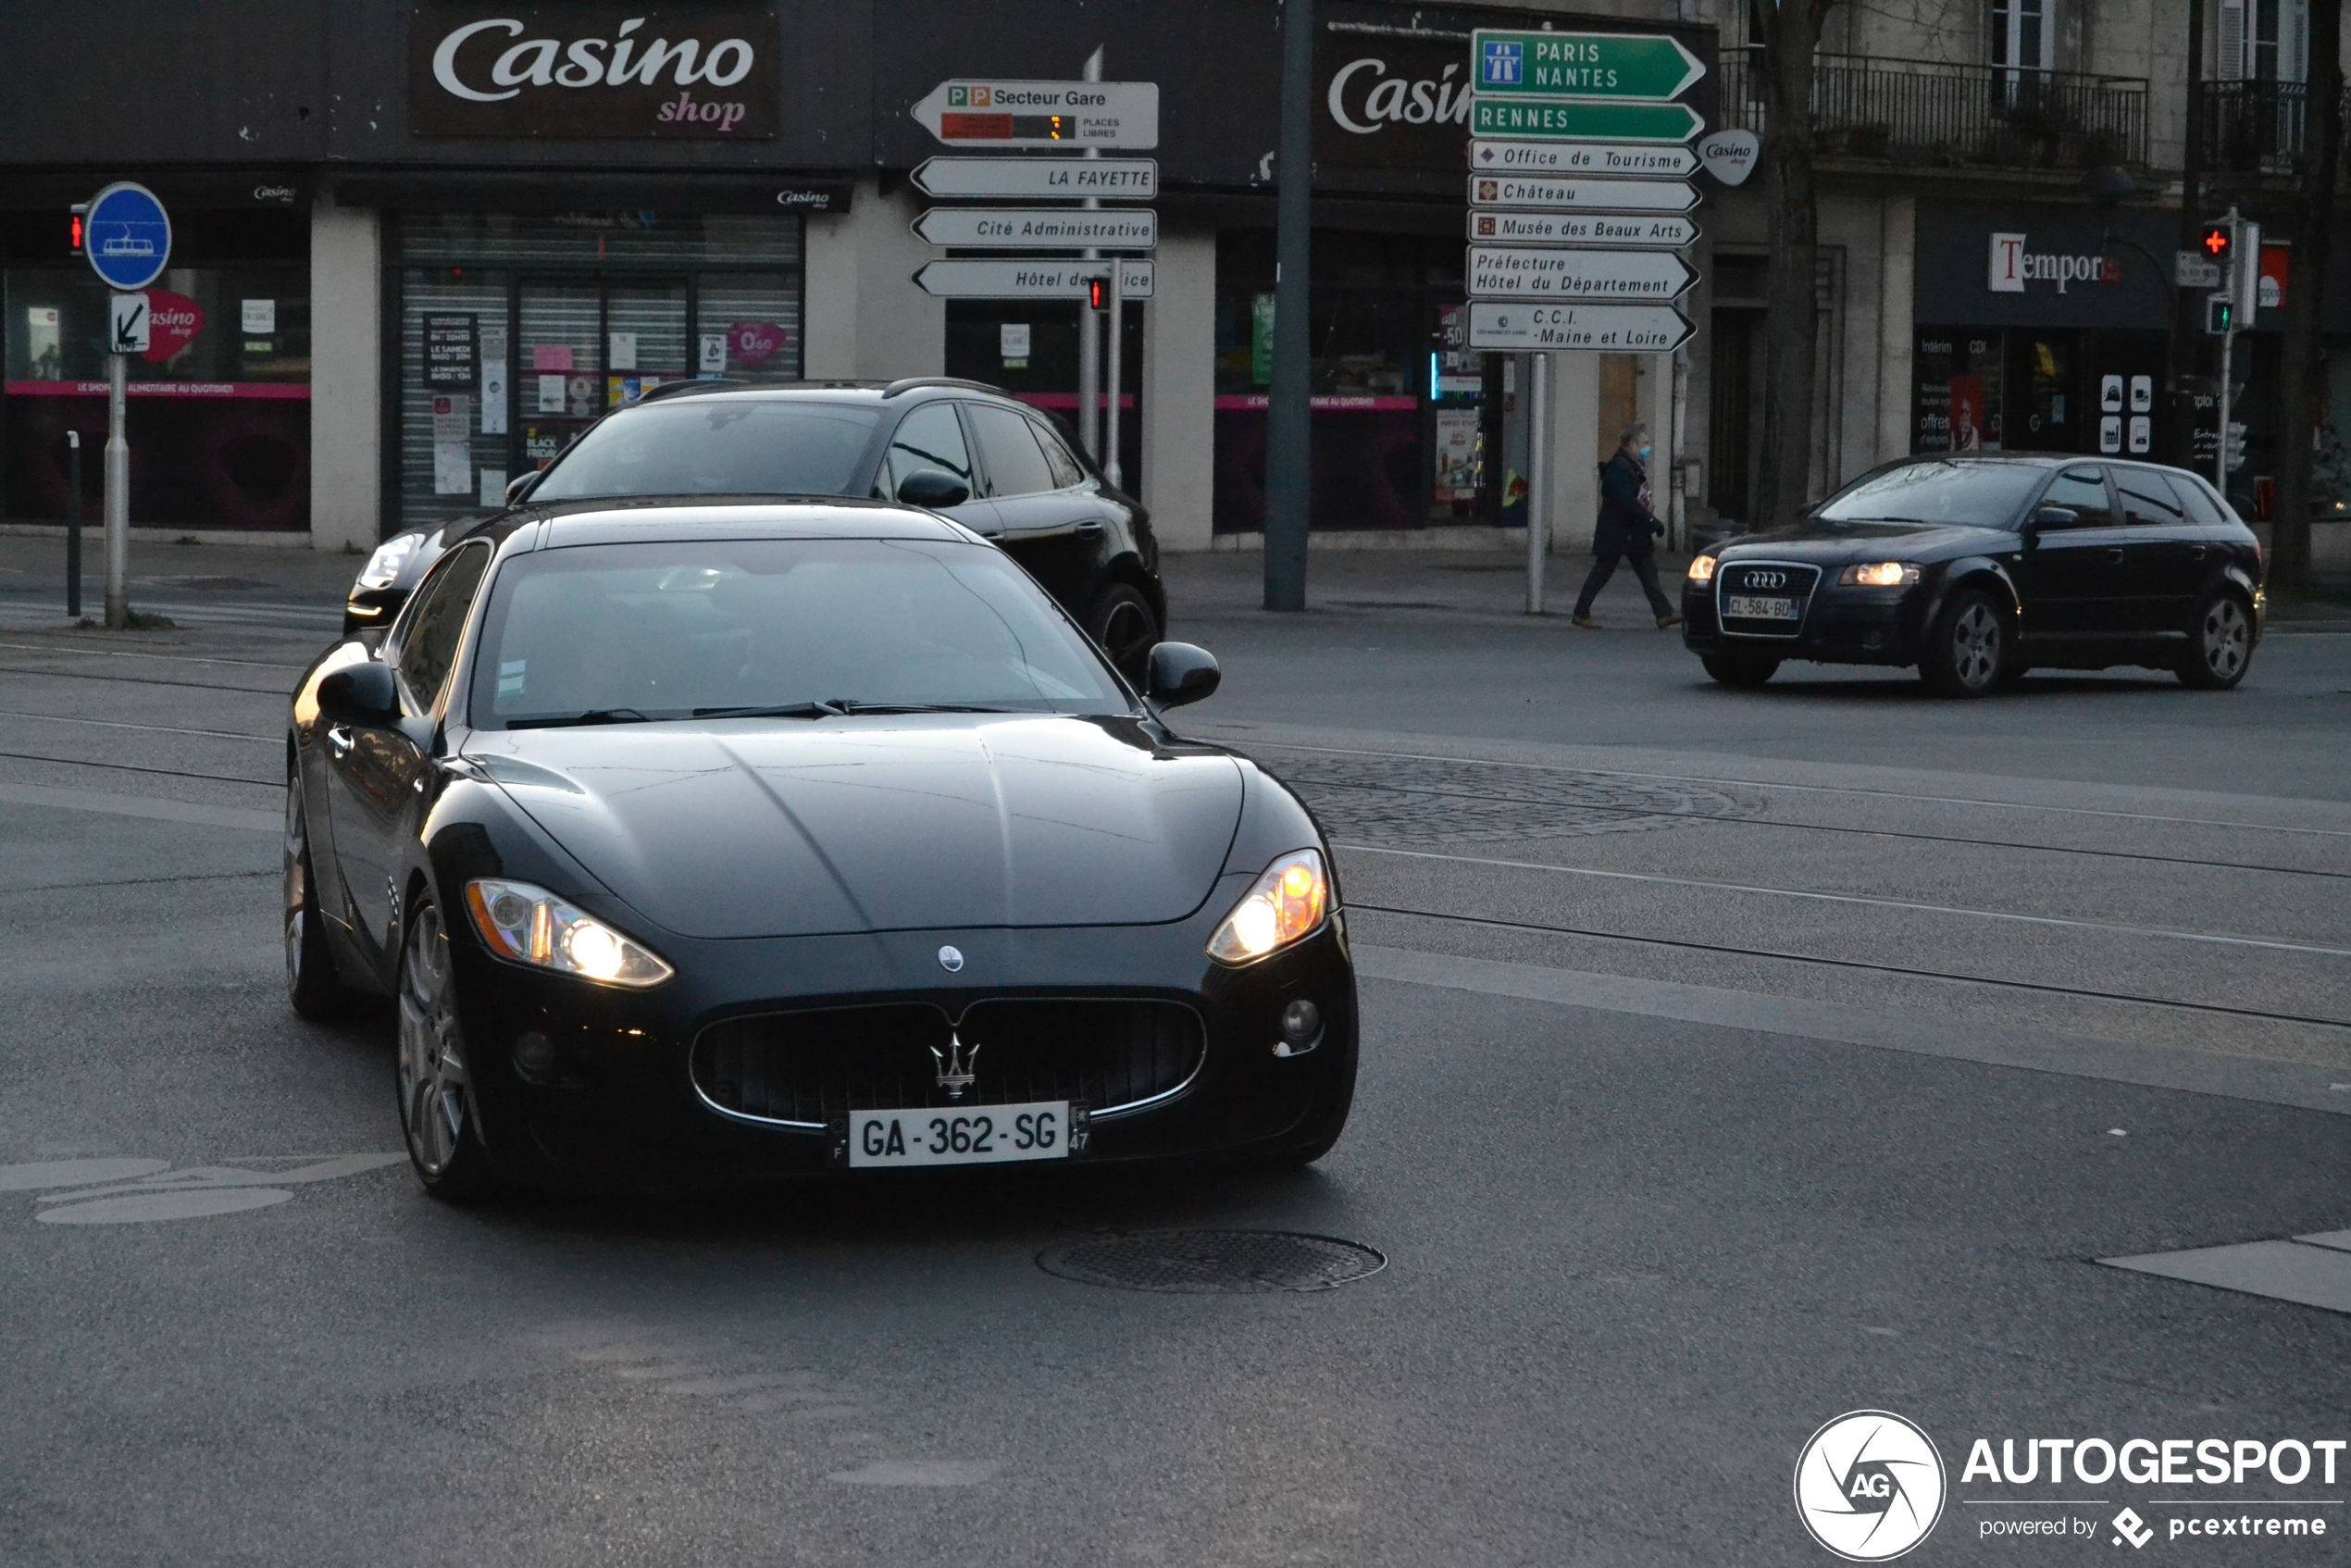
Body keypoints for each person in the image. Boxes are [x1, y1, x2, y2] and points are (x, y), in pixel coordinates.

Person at [1572, 423, 1682, 630]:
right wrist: (1651, 521)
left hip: (1630, 531)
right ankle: (1580, 611)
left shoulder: (1629, 466)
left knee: (1648, 570)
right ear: (1631, 445)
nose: (1647, 448)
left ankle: (1664, 613)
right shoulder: (1619, 467)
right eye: (1644, 443)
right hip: (1620, 531)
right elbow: (1626, 500)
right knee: (1603, 572)